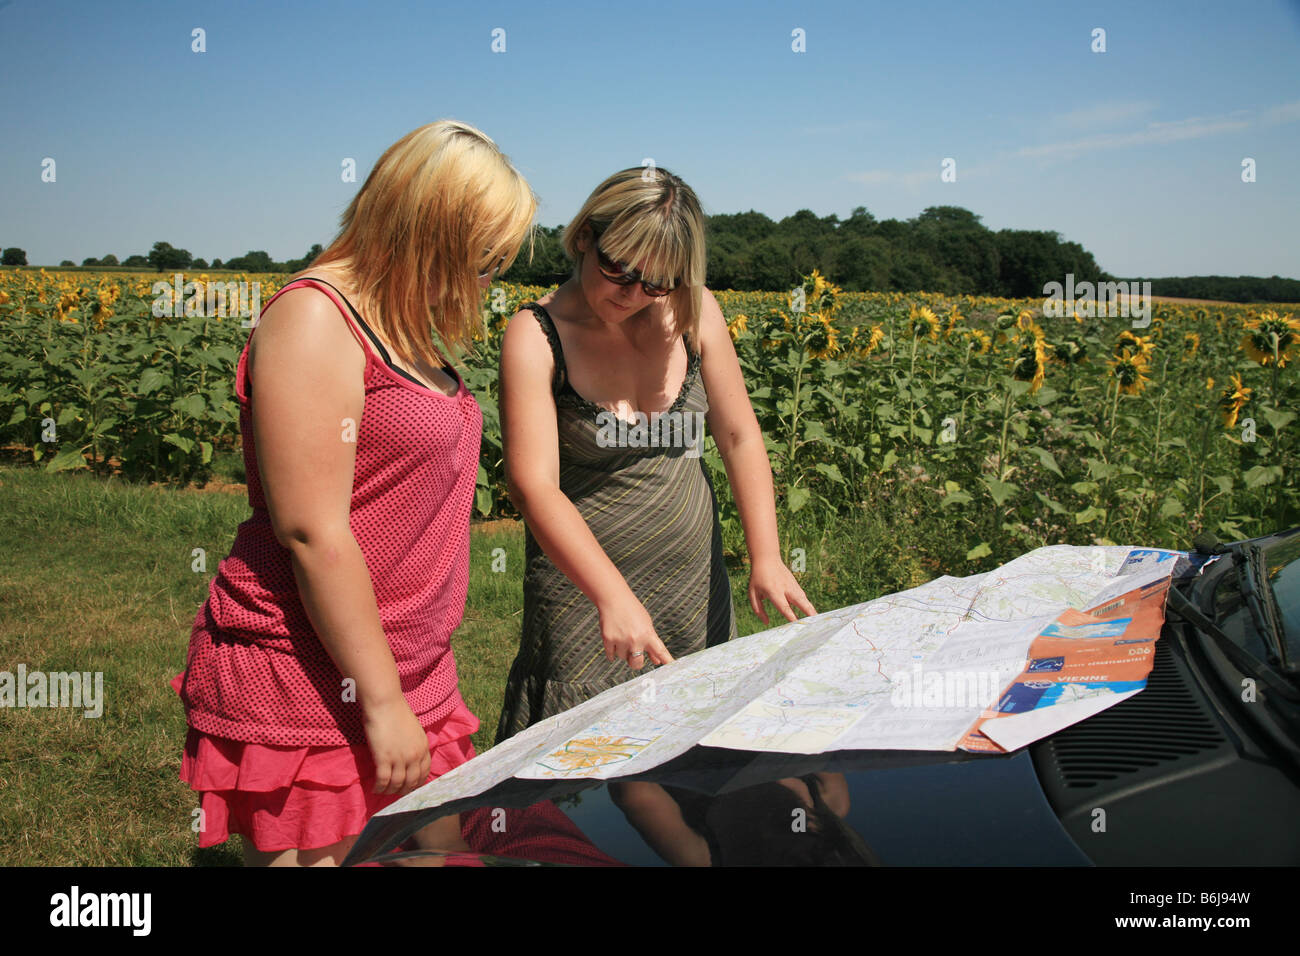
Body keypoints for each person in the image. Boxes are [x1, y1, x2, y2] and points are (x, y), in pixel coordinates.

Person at [171, 120, 537, 866]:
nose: (485, 280)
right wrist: (380, 702)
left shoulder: (400, 322)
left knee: (442, 847)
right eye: (479, 258)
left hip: (409, 663)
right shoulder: (314, 320)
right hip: (311, 670)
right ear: (425, 227)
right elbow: (313, 532)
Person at [494, 166, 815, 743]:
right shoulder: (536, 334)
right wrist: (610, 596)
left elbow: (738, 435)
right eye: (619, 269)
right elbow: (532, 485)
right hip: (583, 593)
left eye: (658, 282)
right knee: (579, 771)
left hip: (692, 582)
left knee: (688, 757)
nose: (633, 294)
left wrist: (765, 555)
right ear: (586, 236)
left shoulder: (694, 312)